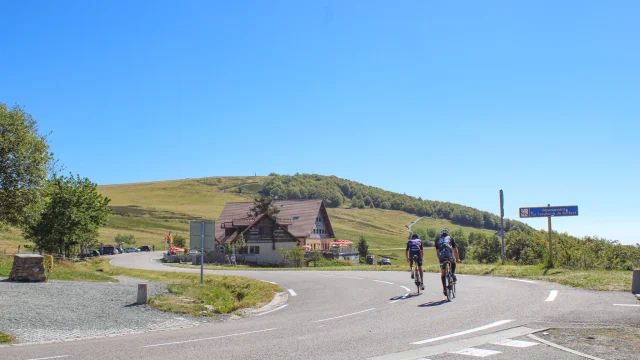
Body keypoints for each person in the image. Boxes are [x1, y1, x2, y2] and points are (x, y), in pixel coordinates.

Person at [435, 228, 461, 297]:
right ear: (447, 234)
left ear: (441, 234)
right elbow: (455, 250)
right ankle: (452, 274)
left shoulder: (437, 240)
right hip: (449, 255)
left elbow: (437, 252)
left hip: (442, 257)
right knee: (453, 261)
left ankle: (444, 289)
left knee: (443, 273)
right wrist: (458, 259)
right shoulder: (450, 238)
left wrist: (440, 259)